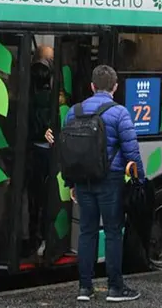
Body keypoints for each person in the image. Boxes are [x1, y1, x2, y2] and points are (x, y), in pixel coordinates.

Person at [45, 65, 144, 303]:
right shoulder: (119, 113)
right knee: (112, 232)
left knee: (87, 232)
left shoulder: (73, 112)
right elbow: (132, 151)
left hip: (82, 180)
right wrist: (140, 179)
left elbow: (68, 152)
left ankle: (84, 288)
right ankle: (115, 288)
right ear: (115, 87)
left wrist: (71, 182)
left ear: (91, 86)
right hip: (110, 180)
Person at [24, 45, 54, 258]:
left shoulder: (27, 100)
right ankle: (43, 239)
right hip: (47, 154)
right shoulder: (52, 99)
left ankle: (32, 236)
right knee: (46, 199)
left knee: (33, 199)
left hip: (32, 152)